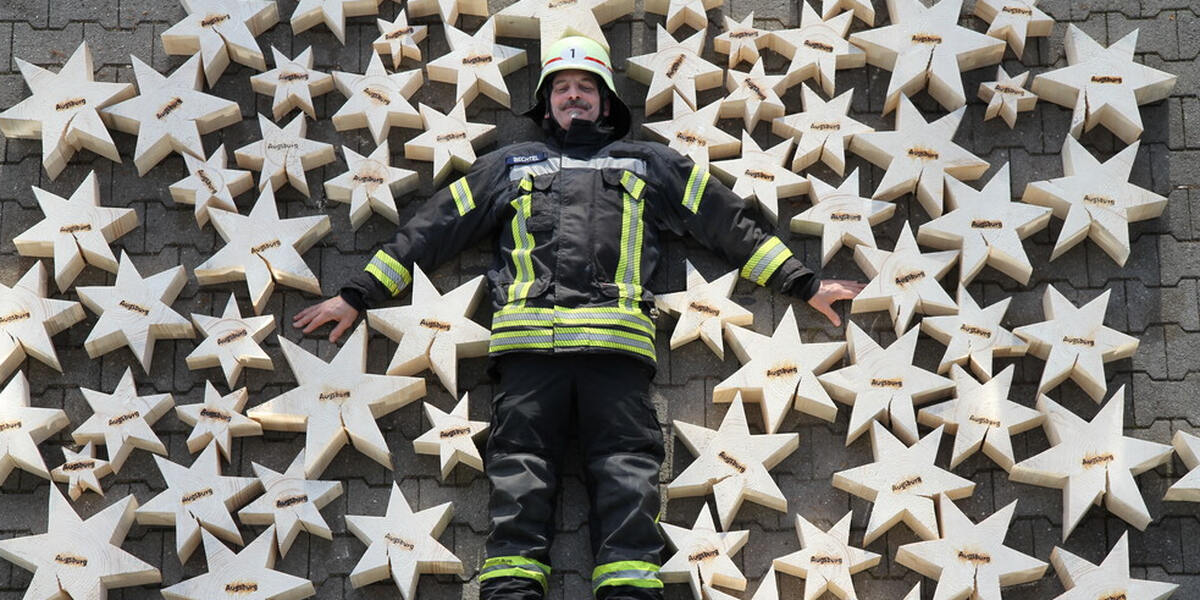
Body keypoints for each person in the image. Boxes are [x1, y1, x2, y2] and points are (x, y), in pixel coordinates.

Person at [294, 35, 862, 600]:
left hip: (615, 357)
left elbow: (723, 222)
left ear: (607, 102)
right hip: (526, 357)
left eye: (586, 87)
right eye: (561, 88)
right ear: (545, 105)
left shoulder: (649, 163)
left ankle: (629, 593)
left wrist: (802, 283)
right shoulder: (507, 167)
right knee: (518, 477)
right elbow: (433, 228)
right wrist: (359, 293)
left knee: (627, 478)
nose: (573, 97)